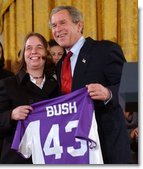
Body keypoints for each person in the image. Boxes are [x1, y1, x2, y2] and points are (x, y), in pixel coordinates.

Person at [49, 6, 131, 163]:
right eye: (54, 25)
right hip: (77, 147)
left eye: (62, 23)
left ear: (79, 25)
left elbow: (130, 89)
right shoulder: (60, 65)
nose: (57, 29)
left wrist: (108, 93)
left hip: (107, 144)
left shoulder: (105, 50)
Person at [0, 32, 59, 164]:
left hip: (50, 157)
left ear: (46, 53)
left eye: (39, 47)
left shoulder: (57, 86)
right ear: (24, 54)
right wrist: (11, 115)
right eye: (29, 48)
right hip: (18, 159)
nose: (34, 52)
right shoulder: (8, 84)